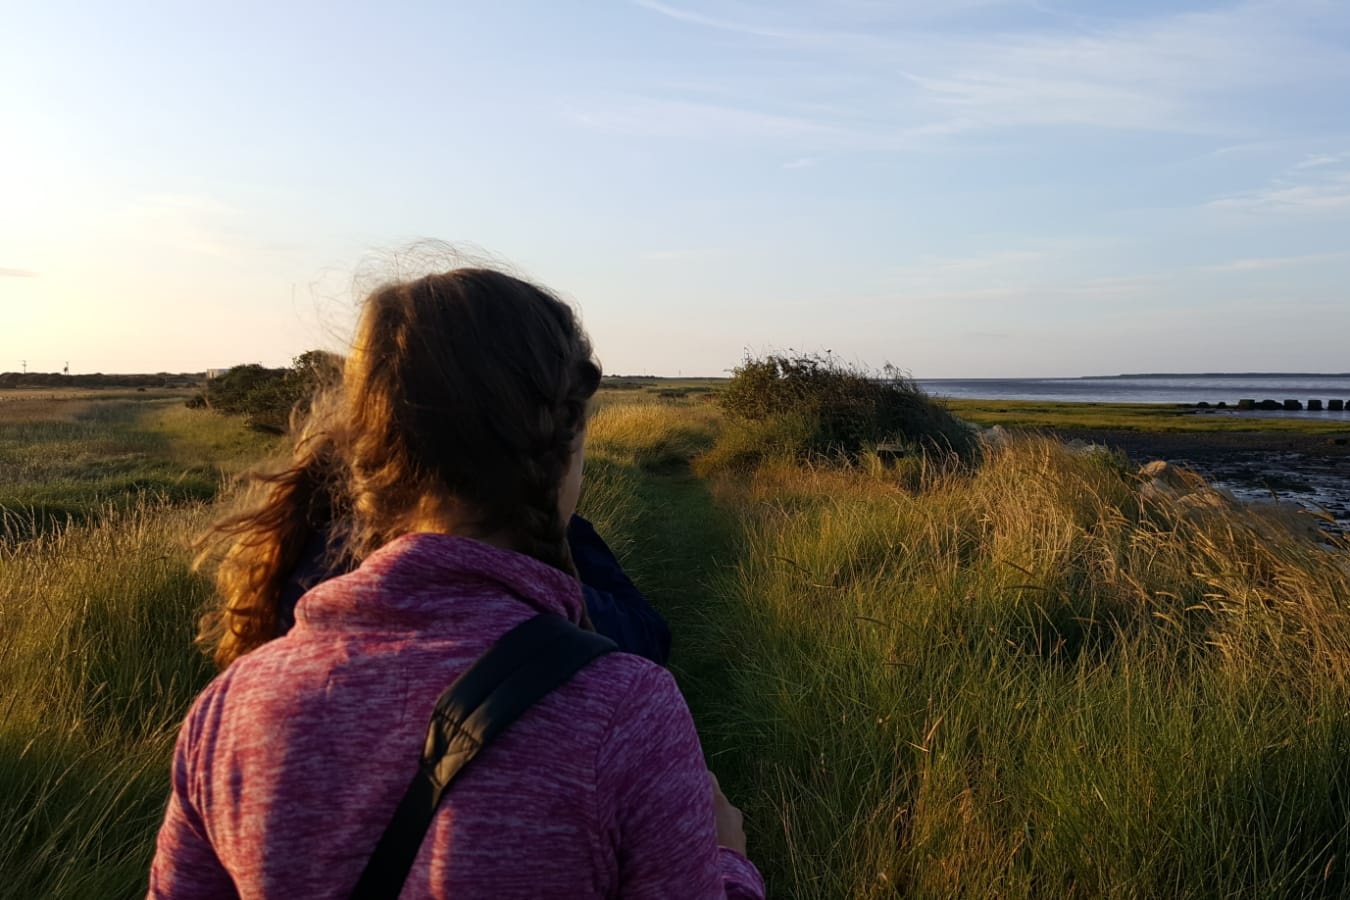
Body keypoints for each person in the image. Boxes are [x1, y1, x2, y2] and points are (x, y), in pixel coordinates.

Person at [148, 267, 764, 898]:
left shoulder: (232, 707)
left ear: (363, 451)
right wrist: (729, 862)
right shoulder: (625, 709)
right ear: (561, 448)